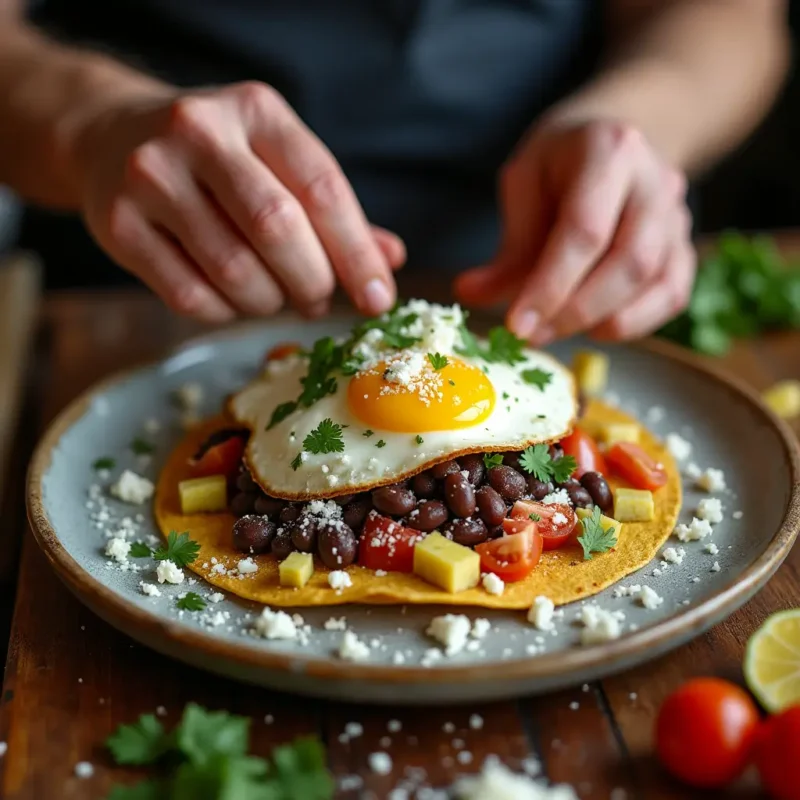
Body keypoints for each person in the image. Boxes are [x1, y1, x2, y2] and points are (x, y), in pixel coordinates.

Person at [0, 0, 790, 344]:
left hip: (530, 278)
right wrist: (90, 122)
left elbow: (730, 12)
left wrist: (643, 120)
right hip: (126, 286)